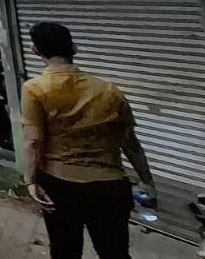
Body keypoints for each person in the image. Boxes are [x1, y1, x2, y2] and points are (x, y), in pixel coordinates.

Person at [22, 21, 154, 259]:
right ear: (74, 47)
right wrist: (148, 182)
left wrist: (30, 180)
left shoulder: (35, 89)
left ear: (35, 51)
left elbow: (33, 140)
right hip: (109, 186)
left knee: (65, 251)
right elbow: (130, 143)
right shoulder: (109, 90)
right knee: (115, 253)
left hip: (59, 184)